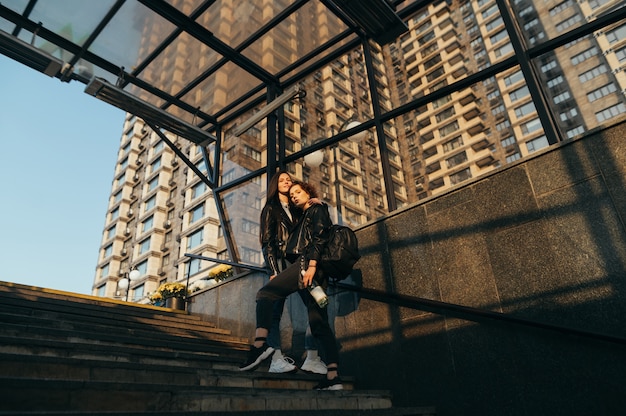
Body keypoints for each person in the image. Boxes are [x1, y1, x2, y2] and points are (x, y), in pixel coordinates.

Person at [240, 181, 342, 390]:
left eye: (299, 192)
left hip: (306, 266)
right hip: (312, 272)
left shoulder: (316, 209)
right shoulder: (305, 214)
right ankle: (333, 377)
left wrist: (312, 264)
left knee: (265, 294)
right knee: (319, 323)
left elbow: (320, 236)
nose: (294, 195)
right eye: (292, 193)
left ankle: (260, 345)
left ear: (308, 192)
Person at [259, 171, 326, 374]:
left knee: (317, 305)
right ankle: (276, 359)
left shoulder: (297, 210)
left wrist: (314, 203)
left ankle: (312, 357)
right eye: (282, 180)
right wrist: (273, 270)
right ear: (275, 185)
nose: (286, 182)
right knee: (274, 312)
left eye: (288, 179)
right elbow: (267, 241)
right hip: (279, 264)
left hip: (299, 264)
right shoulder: (271, 208)